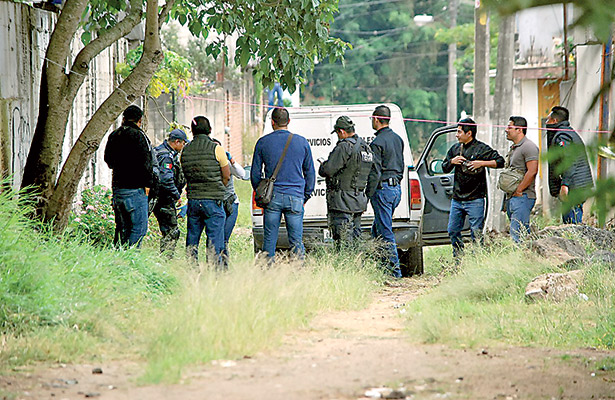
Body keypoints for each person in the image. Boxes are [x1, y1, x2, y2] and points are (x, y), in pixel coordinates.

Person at [251, 107, 315, 260]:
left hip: (272, 197)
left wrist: (261, 194)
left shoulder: (262, 143)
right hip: (295, 197)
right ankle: (298, 273)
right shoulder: (302, 142)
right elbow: (310, 173)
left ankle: (268, 274)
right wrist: (304, 196)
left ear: (272, 122)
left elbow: (255, 174)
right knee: (296, 241)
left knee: (269, 240)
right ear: (289, 122)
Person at [442, 117, 505, 259]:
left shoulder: (482, 149)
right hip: (457, 199)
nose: (457, 135)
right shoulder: (455, 149)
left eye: (459, 132)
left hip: (475, 199)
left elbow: (501, 161)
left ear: (469, 133)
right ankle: (458, 258)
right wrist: (452, 161)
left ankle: (478, 260)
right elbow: (444, 167)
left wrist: (481, 163)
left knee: (476, 233)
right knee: (452, 230)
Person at [180, 116, 230, 268]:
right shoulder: (217, 149)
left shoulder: (185, 150)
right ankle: (215, 273)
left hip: (194, 200)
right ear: (209, 130)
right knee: (215, 239)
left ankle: (192, 270)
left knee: (192, 238)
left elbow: (185, 173)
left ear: (192, 131)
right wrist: (217, 188)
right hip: (213, 200)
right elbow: (226, 176)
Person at [104, 104, 154, 248]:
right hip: (136, 190)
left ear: (123, 118)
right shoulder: (140, 136)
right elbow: (147, 163)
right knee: (139, 229)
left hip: (118, 188)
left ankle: (119, 260)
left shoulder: (115, 135)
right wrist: (148, 185)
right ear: (139, 120)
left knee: (122, 229)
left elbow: (108, 160)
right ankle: (131, 260)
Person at [318, 116, 373, 249]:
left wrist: (323, 165)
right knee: (356, 240)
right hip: (358, 200)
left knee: (342, 241)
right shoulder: (366, 148)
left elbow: (328, 170)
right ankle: (356, 266)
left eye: (337, 133)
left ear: (342, 132)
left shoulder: (344, 147)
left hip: (342, 202)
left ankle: (345, 267)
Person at [366, 105, 405, 278]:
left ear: (376, 119)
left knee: (385, 231)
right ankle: (382, 268)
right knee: (377, 229)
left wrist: (367, 193)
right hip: (396, 189)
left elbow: (375, 172)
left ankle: (394, 272)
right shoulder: (398, 139)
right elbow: (401, 164)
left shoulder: (376, 143)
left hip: (383, 190)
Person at [546, 106, 593, 224]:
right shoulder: (568, 132)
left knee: (572, 225)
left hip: (574, 187)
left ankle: (577, 241)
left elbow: (569, 161)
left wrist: (565, 185)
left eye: (548, 120)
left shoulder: (563, 136)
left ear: (555, 121)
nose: (546, 123)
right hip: (577, 185)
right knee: (570, 223)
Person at [152, 128, 188, 257]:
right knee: (172, 231)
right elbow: (166, 180)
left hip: (157, 197)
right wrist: (177, 196)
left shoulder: (160, 150)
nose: (183, 146)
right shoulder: (166, 156)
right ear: (177, 142)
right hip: (164, 199)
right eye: (183, 143)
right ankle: (166, 259)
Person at [211, 138, 250, 258]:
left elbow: (242, 175)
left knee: (224, 238)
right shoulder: (208, 166)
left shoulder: (226, 163)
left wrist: (231, 160)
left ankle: (224, 267)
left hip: (230, 204)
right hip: (215, 204)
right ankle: (219, 266)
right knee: (218, 238)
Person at [502, 116, 539, 243]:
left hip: (523, 196)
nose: (506, 130)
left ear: (520, 130)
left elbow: (532, 171)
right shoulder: (515, 148)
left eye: (510, 127)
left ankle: (521, 259)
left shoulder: (529, 147)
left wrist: (519, 189)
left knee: (517, 235)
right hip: (513, 197)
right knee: (520, 233)